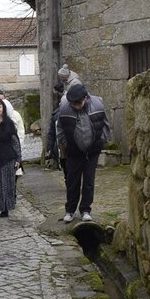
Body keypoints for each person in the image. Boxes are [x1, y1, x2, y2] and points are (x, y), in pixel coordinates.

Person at [56, 83, 111, 223]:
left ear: (85, 99)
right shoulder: (64, 109)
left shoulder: (97, 105)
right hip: (73, 151)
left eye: (78, 103)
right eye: (73, 103)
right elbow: (60, 128)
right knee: (72, 182)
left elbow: (105, 124)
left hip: (92, 151)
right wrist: (66, 144)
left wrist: (101, 141)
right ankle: (70, 210)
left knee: (89, 181)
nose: (76, 105)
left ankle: (86, 209)